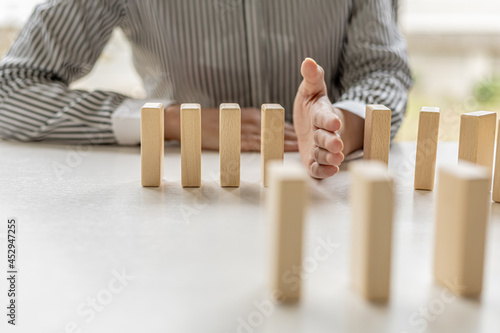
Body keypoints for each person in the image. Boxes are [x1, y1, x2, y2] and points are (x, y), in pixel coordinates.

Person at [0, 0, 412, 179]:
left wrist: (337, 128)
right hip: (181, 199)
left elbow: (384, 71)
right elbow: (10, 91)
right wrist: (173, 120)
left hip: (327, 196)